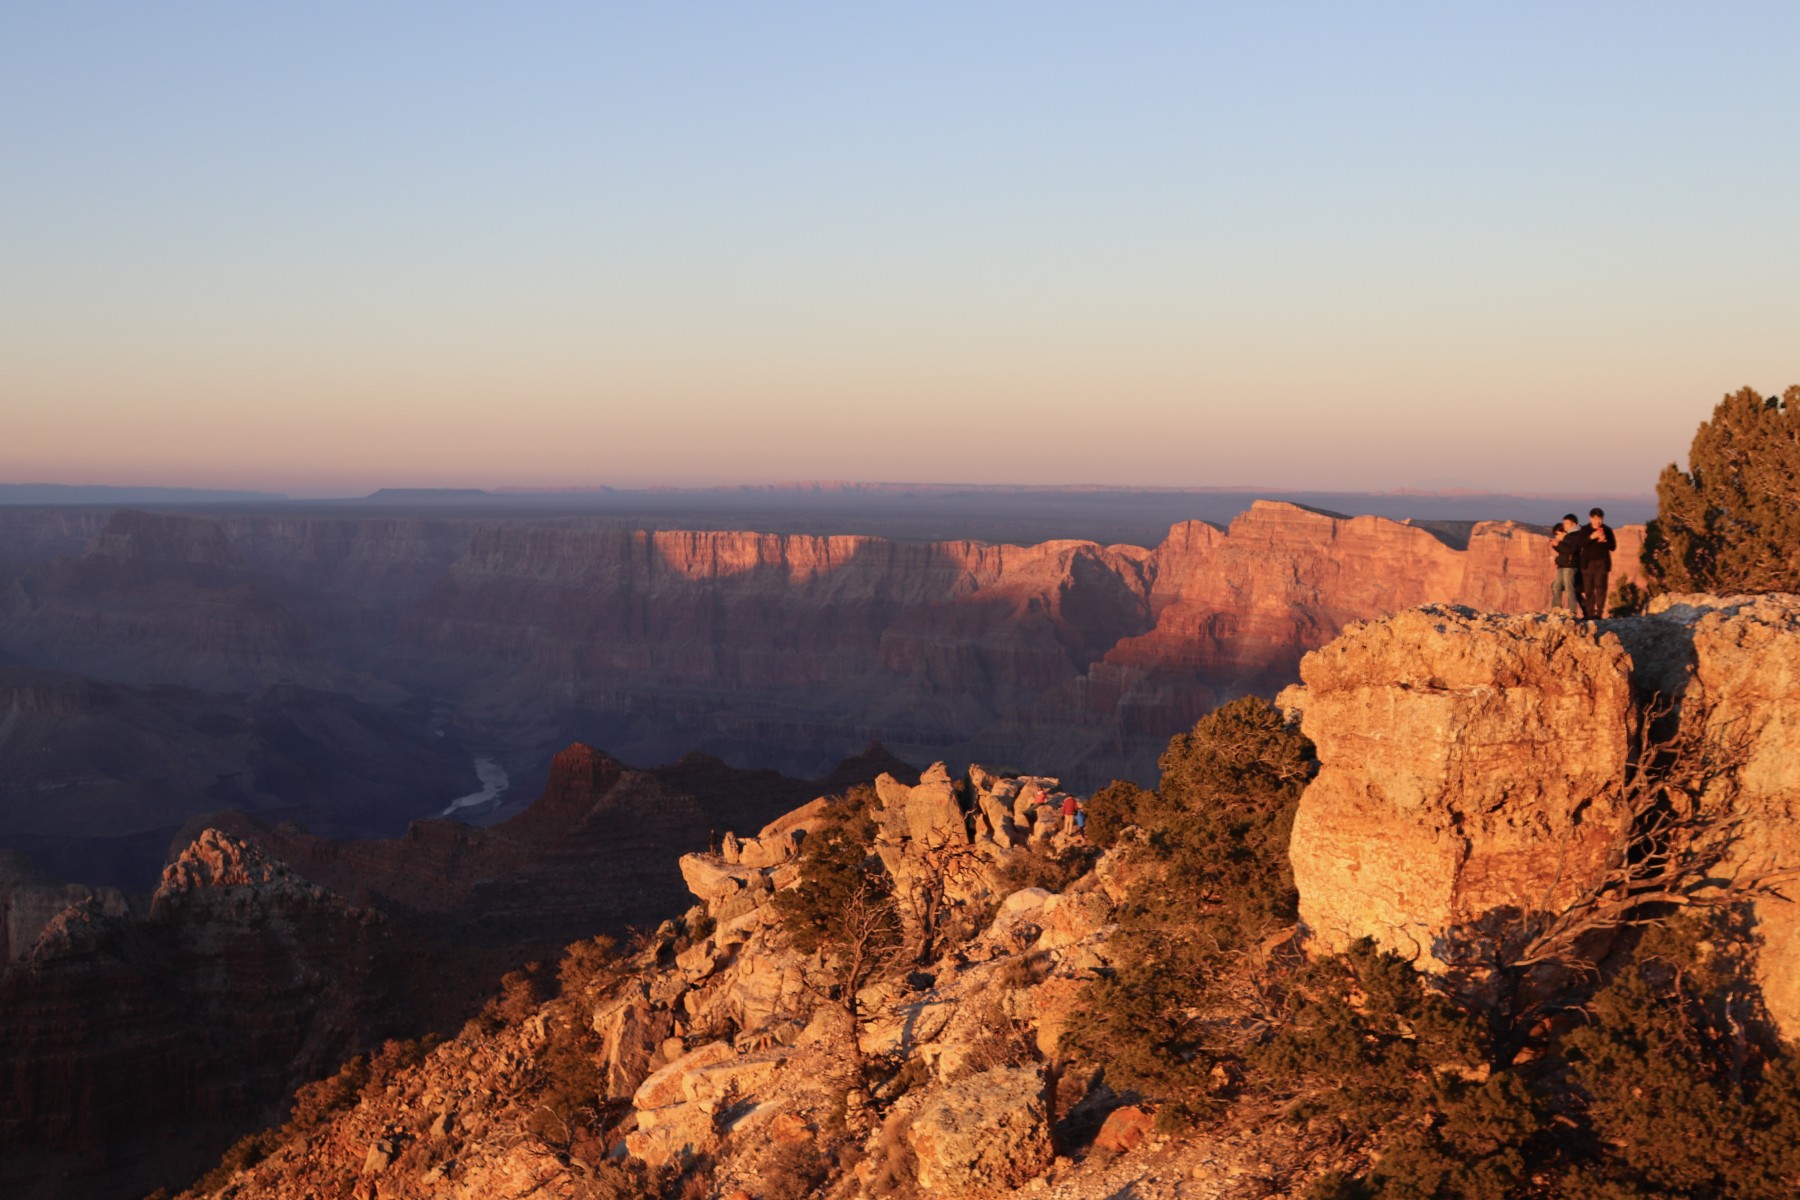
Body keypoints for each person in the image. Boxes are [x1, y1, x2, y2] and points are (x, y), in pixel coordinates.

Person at [1578, 507, 1617, 619]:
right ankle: (1590, 613)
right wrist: (1591, 537)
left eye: (1600, 519)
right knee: (1589, 589)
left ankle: (1599, 613)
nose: (1598, 521)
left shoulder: (1607, 530)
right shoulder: (1584, 530)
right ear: (1591, 518)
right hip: (1587, 564)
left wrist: (1604, 540)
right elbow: (1580, 544)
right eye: (1595, 519)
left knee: (1601, 589)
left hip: (1602, 563)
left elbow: (1613, 546)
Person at [1549, 514, 1585, 613]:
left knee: (1570, 588)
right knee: (1556, 586)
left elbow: (1571, 550)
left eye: (1566, 523)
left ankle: (1572, 611)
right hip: (1564, 565)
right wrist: (1556, 546)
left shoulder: (1575, 535)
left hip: (1570, 565)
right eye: (1564, 523)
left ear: (1574, 524)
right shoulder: (1569, 535)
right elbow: (1563, 552)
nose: (1564, 525)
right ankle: (1556, 608)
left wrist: (1558, 544)